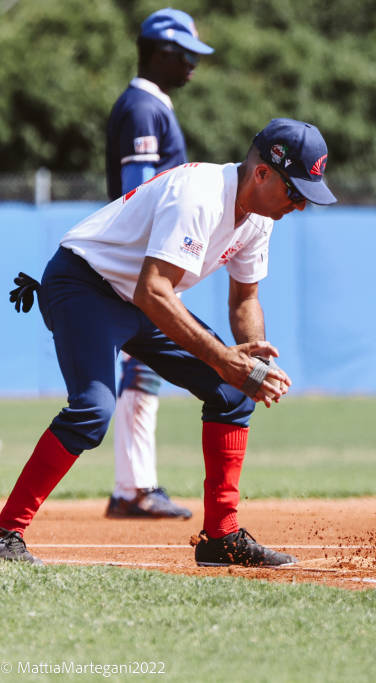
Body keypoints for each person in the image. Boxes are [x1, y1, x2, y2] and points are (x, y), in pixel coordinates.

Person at [1, 118, 337, 567]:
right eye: (295, 192)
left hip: (141, 298)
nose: (298, 205)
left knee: (234, 391)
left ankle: (221, 538)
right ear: (262, 173)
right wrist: (223, 358)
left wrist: (252, 357)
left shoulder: (259, 218)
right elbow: (153, 291)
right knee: (93, 411)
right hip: (84, 284)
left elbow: (245, 298)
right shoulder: (199, 194)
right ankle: (6, 533)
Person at [103, 8, 215, 520]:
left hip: (146, 262)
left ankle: (135, 484)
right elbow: (138, 194)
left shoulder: (150, 105)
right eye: (186, 54)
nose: (194, 64)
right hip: (140, 264)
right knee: (141, 370)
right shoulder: (144, 108)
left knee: (144, 371)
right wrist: (151, 270)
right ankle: (132, 488)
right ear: (161, 52)